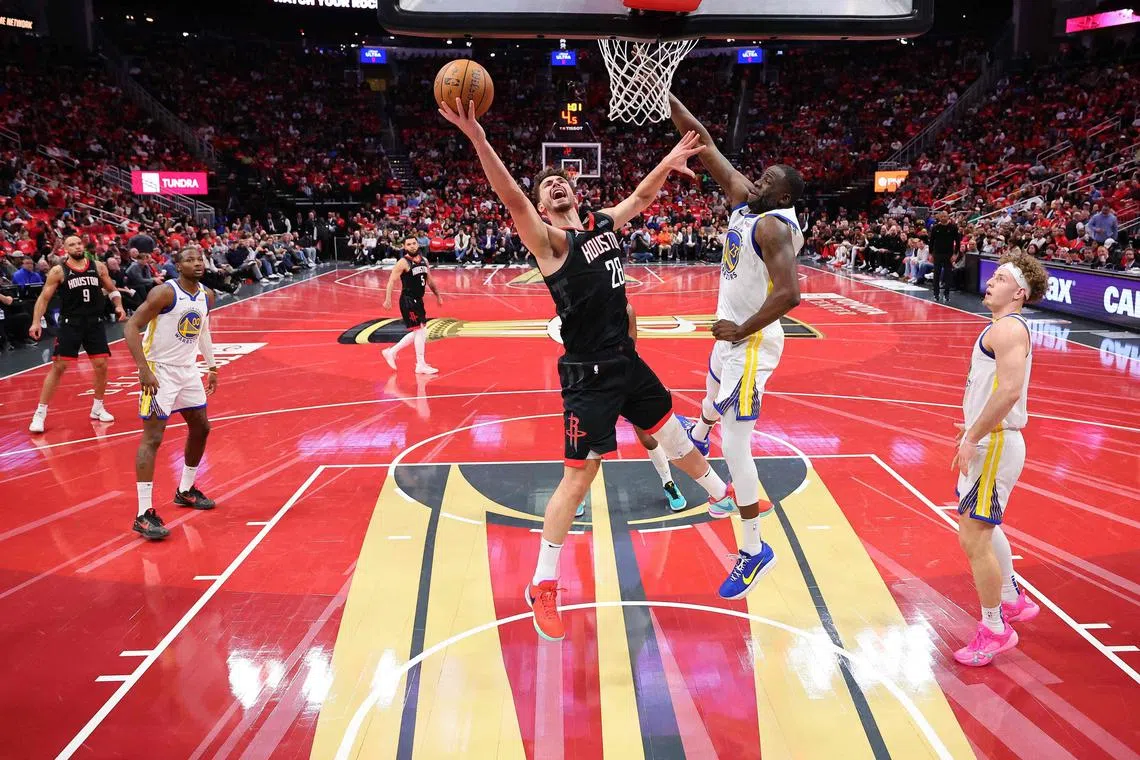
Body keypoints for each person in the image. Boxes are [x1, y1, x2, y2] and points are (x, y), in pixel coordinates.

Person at [440, 97, 735, 641]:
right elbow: (508, 194)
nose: (554, 186)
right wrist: (478, 136)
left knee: (669, 429)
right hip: (586, 375)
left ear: (575, 192)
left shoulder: (600, 224)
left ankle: (719, 492)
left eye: (561, 181)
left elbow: (642, 197)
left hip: (626, 358)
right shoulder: (549, 243)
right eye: (544, 186)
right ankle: (543, 583)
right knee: (579, 477)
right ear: (541, 204)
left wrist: (668, 161)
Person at [669, 93, 806, 600]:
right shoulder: (751, 204)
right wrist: (668, 99)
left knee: (738, 443)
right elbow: (704, 142)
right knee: (708, 395)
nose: (757, 180)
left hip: (750, 341)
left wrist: (743, 328)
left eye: (769, 179)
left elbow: (791, 293)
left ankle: (754, 549)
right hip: (732, 335)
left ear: (785, 196)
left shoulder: (773, 227)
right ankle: (699, 432)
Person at [951, 250, 1048, 667]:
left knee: (973, 536)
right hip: (989, 440)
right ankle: (1010, 599)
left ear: (1020, 293)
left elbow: (1008, 392)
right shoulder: (1001, 326)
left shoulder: (1008, 329)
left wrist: (973, 434)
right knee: (984, 529)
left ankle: (994, 627)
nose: (991, 281)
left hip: (994, 444)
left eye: (1002, 278)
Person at [123, 247, 219, 540]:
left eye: (199, 259)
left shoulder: (207, 295)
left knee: (201, 428)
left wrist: (212, 366)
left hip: (188, 370)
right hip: (159, 370)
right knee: (153, 438)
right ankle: (143, 514)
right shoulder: (165, 293)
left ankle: (186, 489)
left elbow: (202, 329)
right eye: (189, 259)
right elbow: (131, 326)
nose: (196, 264)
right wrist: (143, 369)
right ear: (177, 265)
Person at [575, 302, 687, 519]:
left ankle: (668, 482)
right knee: (590, 438)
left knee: (647, 437)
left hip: (624, 378)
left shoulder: (626, 309)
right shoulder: (585, 309)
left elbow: (631, 346)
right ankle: (578, 494)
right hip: (595, 381)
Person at [28, 236, 126, 433]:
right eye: (72, 244)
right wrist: (36, 321)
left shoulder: (98, 266)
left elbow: (112, 289)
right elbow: (44, 298)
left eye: (79, 243)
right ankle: (40, 413)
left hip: (94, 323)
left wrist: (119, 305)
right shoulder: (58, 270)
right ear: (65, 249)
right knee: (59, 367)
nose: (77, 246)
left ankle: (98, 408)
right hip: (70, 324)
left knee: (101, 366)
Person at [382, 236, 443, 375]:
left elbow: (430, 281)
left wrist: (438, 295)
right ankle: (420, 364)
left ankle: (391, 352)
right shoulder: (403, 263)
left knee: (420, 332)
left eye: (414, 243)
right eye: (409, 244)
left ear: (418, 244)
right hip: (408, 301)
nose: (412, 246)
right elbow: (391, 281)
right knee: (420, 331)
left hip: (418, 300)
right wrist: (388, 299)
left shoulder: (424, 261)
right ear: (404, 247)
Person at [929, 212, 961, 303]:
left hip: (949, 254)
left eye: (945, 216)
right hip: (937, 254)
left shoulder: (953, 227)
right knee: (936, 274)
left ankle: (946, 294)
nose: (943, 218)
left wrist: (955, 254)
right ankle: (936, 294)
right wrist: (930, 254)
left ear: (948, 217)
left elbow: (958, 242)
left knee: (948, 275)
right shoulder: (935, 228)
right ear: (939, 217)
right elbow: (931, 241)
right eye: (941, 216)